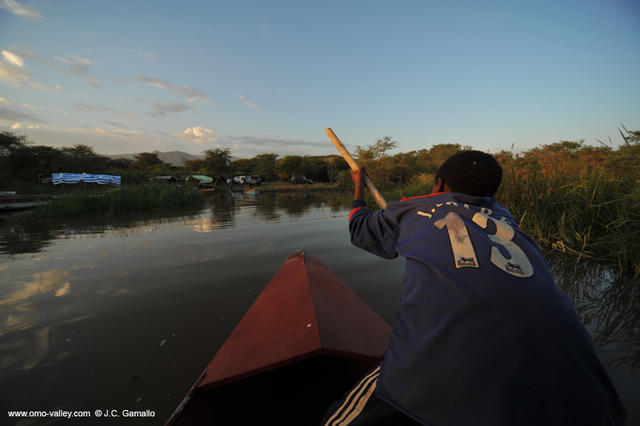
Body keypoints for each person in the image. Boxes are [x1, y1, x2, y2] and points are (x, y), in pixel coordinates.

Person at [323, 150, 626, 426]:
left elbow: (359, 230)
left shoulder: (411, 208)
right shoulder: (507, 219)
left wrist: (358, 187)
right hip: (589, 399)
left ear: (439, 184)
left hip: (441, 387)